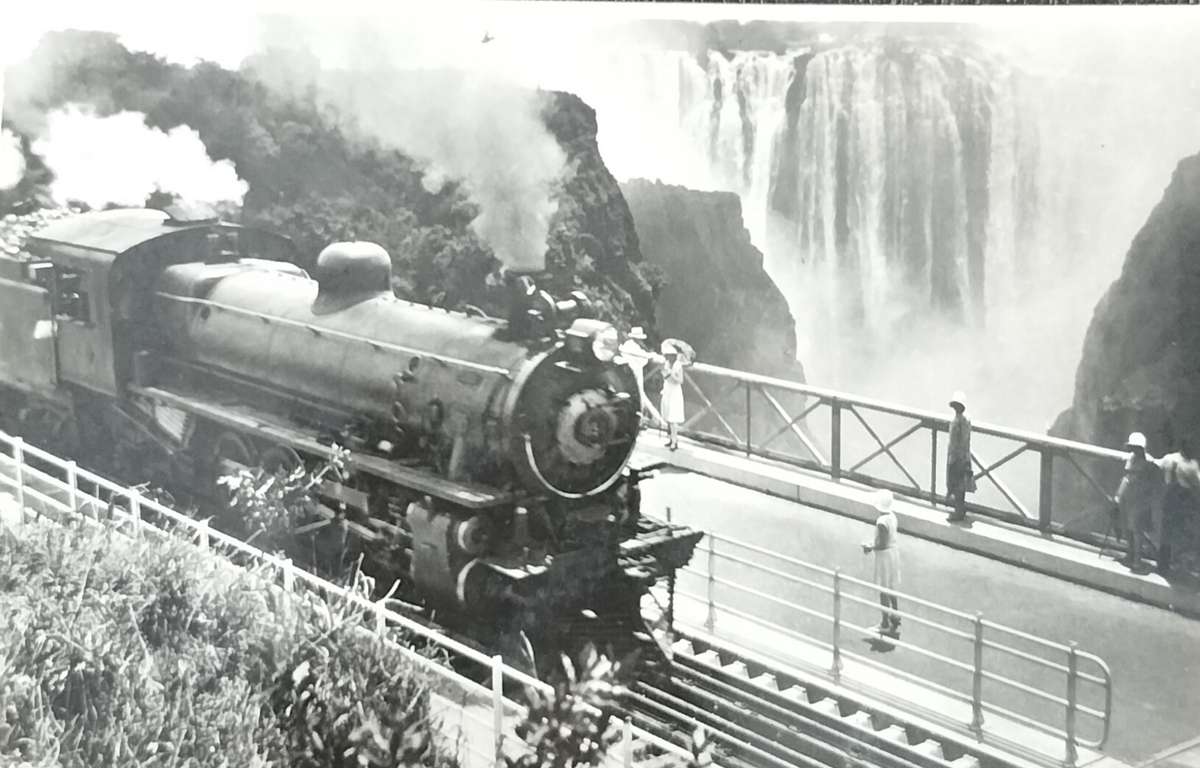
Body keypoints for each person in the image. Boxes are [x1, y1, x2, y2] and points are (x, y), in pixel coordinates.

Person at [1153, 437, 1199, 575]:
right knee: (1181, 533)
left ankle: (1164, 564)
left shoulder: (1169, 458)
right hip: (1182, 501)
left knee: (1167, 532)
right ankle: (1177, 563)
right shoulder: (1191, 464)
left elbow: (1155, 464)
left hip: (1170, 499)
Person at [1114, 432, 1160, 571]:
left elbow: (1154, 483)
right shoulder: (1131, 458)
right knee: (1128, 526)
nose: (1134, 450)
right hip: (1128, 495)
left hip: (1140, 499)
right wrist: (1118, 495)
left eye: (1136, 447)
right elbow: (1127, 477)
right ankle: (1130, 553)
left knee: (1137, 529)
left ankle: (1137, 559)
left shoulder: (1150, 463)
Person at [861, 489, 901, 638]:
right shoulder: (892, 517)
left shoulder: (881, 522)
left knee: (883, 590)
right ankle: (895, 614)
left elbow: (881, 543)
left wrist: (869, 546)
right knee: (891, 586)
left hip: (884, 556)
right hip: (893, 553)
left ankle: (884, 623)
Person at [946, 391, 976, 522]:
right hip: (963, 455)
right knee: (960, 485)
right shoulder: (966, 419)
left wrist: (955, 458)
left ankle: (958, 512)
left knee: (957, 484)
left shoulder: (959, 420)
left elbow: (959, 441)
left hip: (957, 456)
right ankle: (959, 510)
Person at [618, 327, 654, 423]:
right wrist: (652, 355)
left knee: (640, 393)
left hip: (630, 372)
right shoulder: (632, 346)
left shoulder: (631, 345)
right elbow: (644, 357)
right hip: (634, 372)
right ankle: (640, 417)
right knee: (639, 393)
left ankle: (645, 417)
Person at [660, 344, 686, 451]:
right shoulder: (666, 364)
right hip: (667, 389)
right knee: (668, 416)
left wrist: (671, 374)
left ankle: (675, 441)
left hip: (675, 392)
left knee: (673, 417)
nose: (667, 357)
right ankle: (671, 439)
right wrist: (665, 373)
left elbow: (680, 380)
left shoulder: (678, 365)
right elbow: (666, 377)